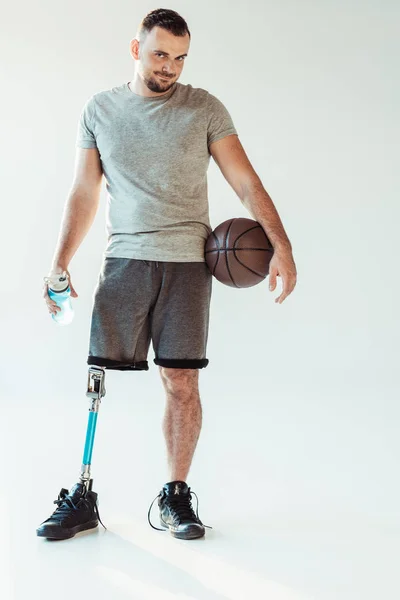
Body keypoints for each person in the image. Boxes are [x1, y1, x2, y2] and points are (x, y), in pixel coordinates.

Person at [37, 8, 297, 541]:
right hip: (126, 259)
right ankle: (82, 495)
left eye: (180, 58)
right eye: (160, 55)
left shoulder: (204, 108)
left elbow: (246, 182)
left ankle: (175, 494)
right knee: (97, 380)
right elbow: (84, 192)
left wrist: (282, 245)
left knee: (182, 382)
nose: (170, 67)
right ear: (136, 50)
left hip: (187, 265)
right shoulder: (100, 110)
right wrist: (59, 260)